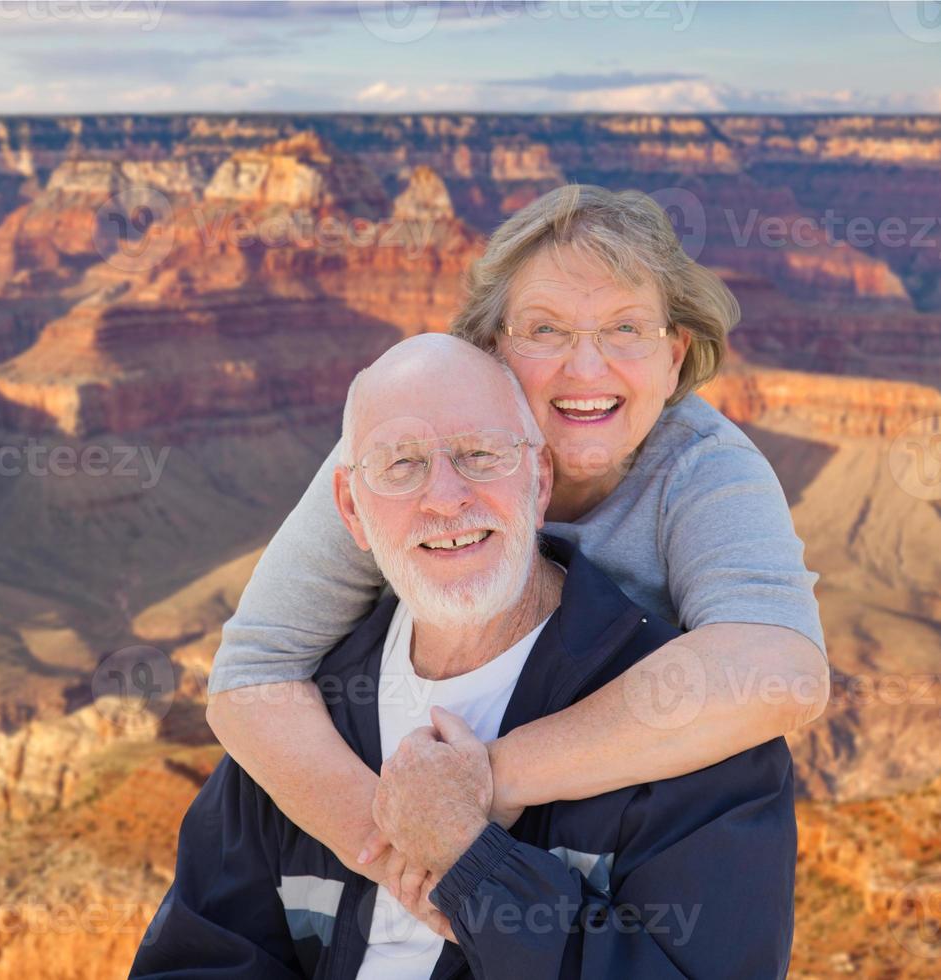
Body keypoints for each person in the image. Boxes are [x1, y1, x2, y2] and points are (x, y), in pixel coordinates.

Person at [204, 185, 827, 915]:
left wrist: (485, 782)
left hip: (609, 853)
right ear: (491, 348)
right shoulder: (400, 450)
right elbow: (252, 675)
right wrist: (398, 853)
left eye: (626, 329)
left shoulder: (704, 468)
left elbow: (782, 671)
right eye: (546, 330)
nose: (586, 370)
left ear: (674, 354)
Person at [130, 335, 796, 979]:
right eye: (401, 464)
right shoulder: (304, 726)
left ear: (538, 481)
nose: (446, 497)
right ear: (350, 510)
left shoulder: (695, 737)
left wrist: (477, 871)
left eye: (480, 454)